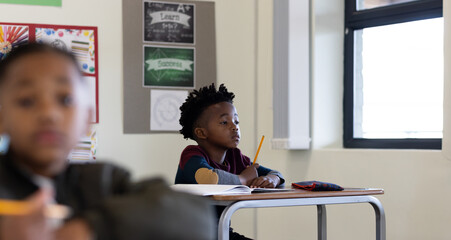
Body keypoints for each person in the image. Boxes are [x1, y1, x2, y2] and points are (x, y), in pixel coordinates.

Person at [0, 43, 216, 240]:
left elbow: (198, 220)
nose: (48, 114)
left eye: (65, 99)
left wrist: (90, 227)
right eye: (27, 101)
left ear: (86, 119)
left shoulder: (102, 181)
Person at [175, 83, 285, 240]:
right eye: (224, 122)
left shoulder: (235, 157)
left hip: (221, 233)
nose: (234, 127)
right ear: (201, 132)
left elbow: (277, 175)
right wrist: (244, 179)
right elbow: (209, 179)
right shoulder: (192, 155)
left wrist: (270, 180)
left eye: (236, 121)